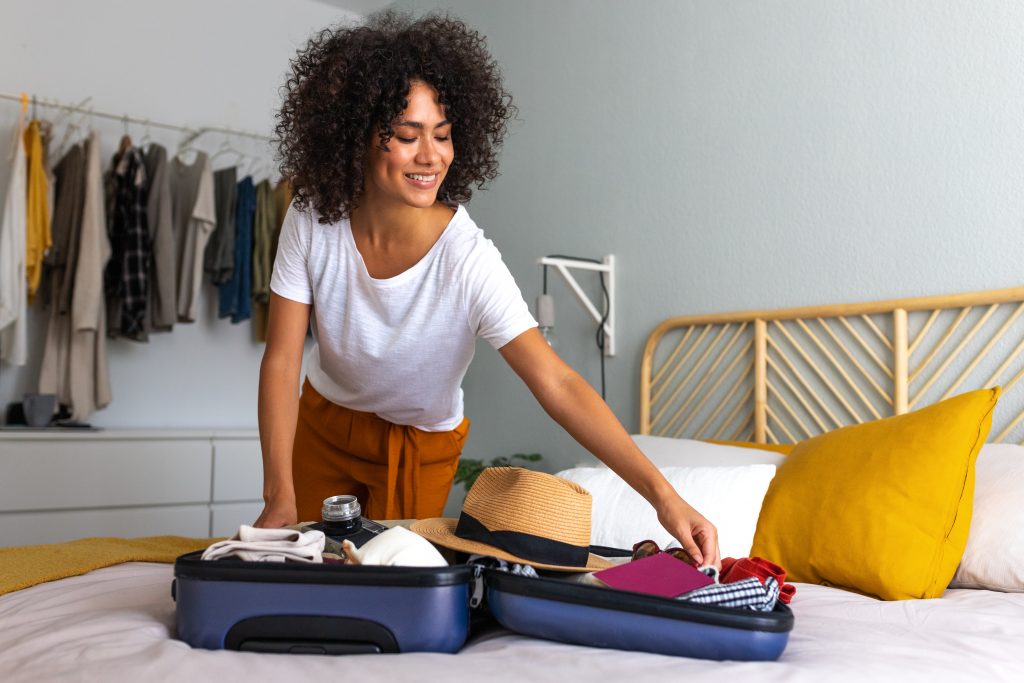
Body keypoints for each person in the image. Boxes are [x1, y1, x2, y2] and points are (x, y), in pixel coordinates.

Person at [255, 11, 721, 568]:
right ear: (356, 139)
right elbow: (282, 360)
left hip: (419, 445)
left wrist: (664, 498)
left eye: (443, 135)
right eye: (407, 136)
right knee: (303, 574)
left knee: (391, 585)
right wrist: (277, 494)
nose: (432, 156)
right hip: (325, 423)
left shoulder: (468, 260)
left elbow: (558, 382)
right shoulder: (313, 217)